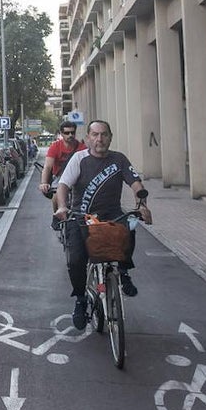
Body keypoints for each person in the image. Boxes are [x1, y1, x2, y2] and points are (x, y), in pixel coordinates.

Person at [53, 119, 151, 330]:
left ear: (110, 137)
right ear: (88, 138)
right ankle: (80, 299)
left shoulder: (119, 159)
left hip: (111, 215)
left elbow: (136, 184)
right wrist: (62, 207)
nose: (100, 139)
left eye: (104, 134)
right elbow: (63, 186)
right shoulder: (79, 159)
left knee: (130, 226)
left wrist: (142, 204)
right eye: (95, 135)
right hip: (81, 217)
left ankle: (123, 272)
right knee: (76, 260)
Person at [39, 122, 87, 214]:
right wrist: (44, 183)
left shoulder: (82, 148)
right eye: (67, 133)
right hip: (60, 177)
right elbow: (48, 167)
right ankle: (57, 217)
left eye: (72, 133)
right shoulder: (55, 147)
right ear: (61, 134)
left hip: (78, 177)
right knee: (56, 197)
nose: (70, 135)